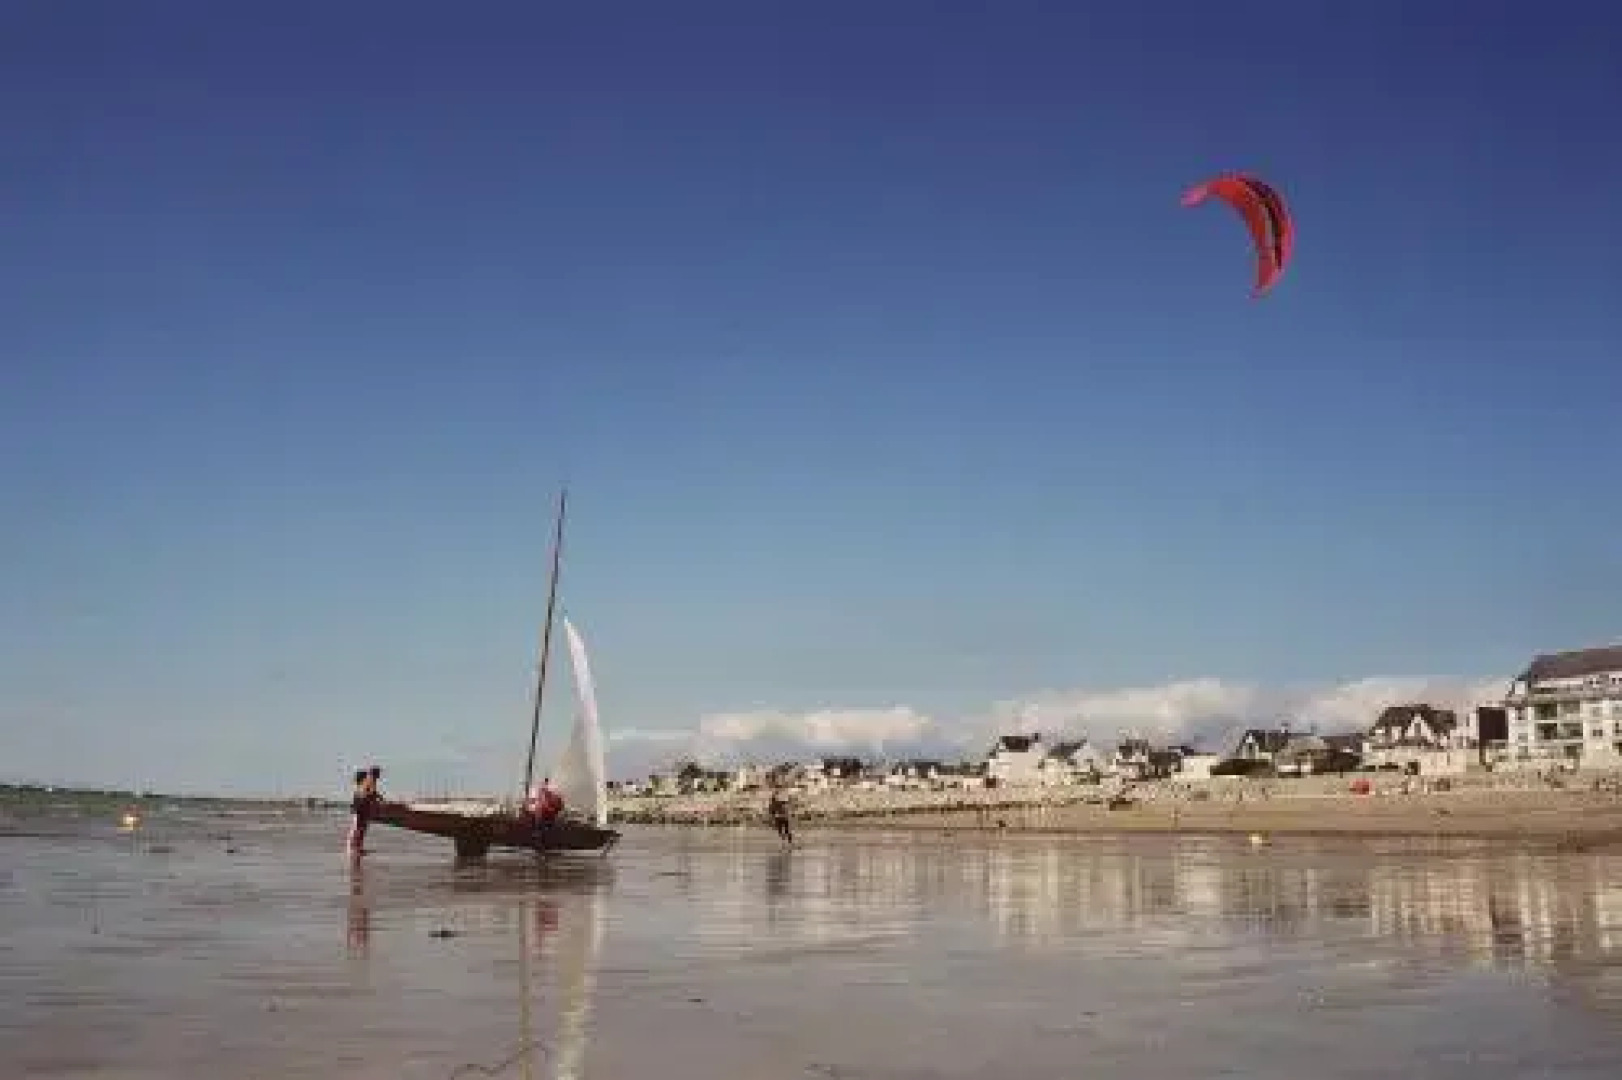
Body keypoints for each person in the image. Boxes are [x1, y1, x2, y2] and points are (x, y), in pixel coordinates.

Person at [347, 768, 371, 855]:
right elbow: (361, 799)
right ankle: (355, 848)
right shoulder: (361, 787)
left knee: (359, 829)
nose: (368, 778)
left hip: (360, 811)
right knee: (358, 829)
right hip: (359, 811)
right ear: (363, 778)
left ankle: (357, 848)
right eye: (366, 776)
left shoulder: (360, 787)